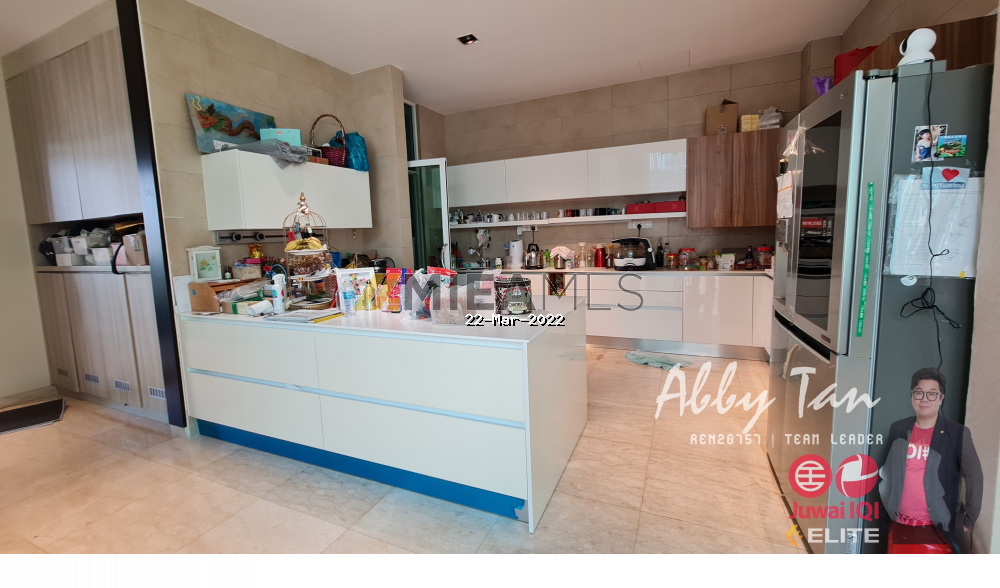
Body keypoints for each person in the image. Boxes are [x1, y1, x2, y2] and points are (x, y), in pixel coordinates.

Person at [879, 368, 983, 553]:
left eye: (932, 394)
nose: (924, 399)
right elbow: (888, 473)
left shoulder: (957, 433)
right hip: (899, 523)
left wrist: (968, 520)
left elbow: (974, 476)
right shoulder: (898, 427)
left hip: (938, 527)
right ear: (912, 396)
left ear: (941, 398)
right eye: (919, 393)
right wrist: (887, 510)